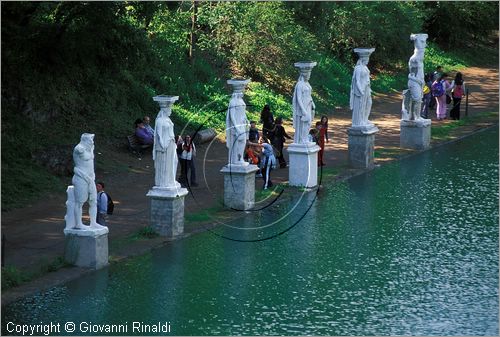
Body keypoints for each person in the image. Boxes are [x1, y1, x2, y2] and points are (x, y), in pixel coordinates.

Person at [72, 133, 104, 229]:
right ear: (85, 140)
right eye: (90, 140)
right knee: (80, 202)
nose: (92, 142)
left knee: (93, 201)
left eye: (92, 140)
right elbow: (78, 150)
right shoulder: (79, 148)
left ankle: (93, 222)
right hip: (81, 178)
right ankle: (78, 224)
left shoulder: (90, 148)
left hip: (91, 178)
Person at [153, 102, 180, 189]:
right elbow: (159, 134)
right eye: (170, 109)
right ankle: (164, 181)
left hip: (171, 143)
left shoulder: (168, 119)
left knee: (174, 161)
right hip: (165, 145)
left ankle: (171, 179)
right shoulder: (160, 121)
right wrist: (162, 144)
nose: (171, 111)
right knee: (166, 163)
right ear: (165, 110)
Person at [350, 49, 375, 129]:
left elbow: (367, 79)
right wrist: (360, 90)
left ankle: (365, 119)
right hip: (361, 90)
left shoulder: (365, 68)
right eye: (367, 59)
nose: (368, 60)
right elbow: (356, 80)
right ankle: (360, 120)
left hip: (367, 88)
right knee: (361, 105)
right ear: (363, 59)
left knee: (369, 103)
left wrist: (369, 89)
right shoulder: (358, 68)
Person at [292, 68, 316, 144]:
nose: (309, 76)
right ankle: (302, 140)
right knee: (303, 123)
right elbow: (298, 98)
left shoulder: (307, 83)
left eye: (310, 74)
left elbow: (309, 95)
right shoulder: (299, 85)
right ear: (304, 74)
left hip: (308, 105)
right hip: (303, 107)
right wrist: (302, 109)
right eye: (308, 74)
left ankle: (305, 138)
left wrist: (313, 103)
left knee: (308, 123)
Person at [226, 91, 249, 166]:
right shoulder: (233, 102)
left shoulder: (241, 100)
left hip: (242, 124)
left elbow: (243, 112)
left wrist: (246, 119)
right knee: (236, 143)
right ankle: (235, 160)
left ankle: (240, 158)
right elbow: (231, 116)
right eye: (241, 91)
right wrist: (236, 127)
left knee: (243, 142)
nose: (243, 93)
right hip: (237, 125)